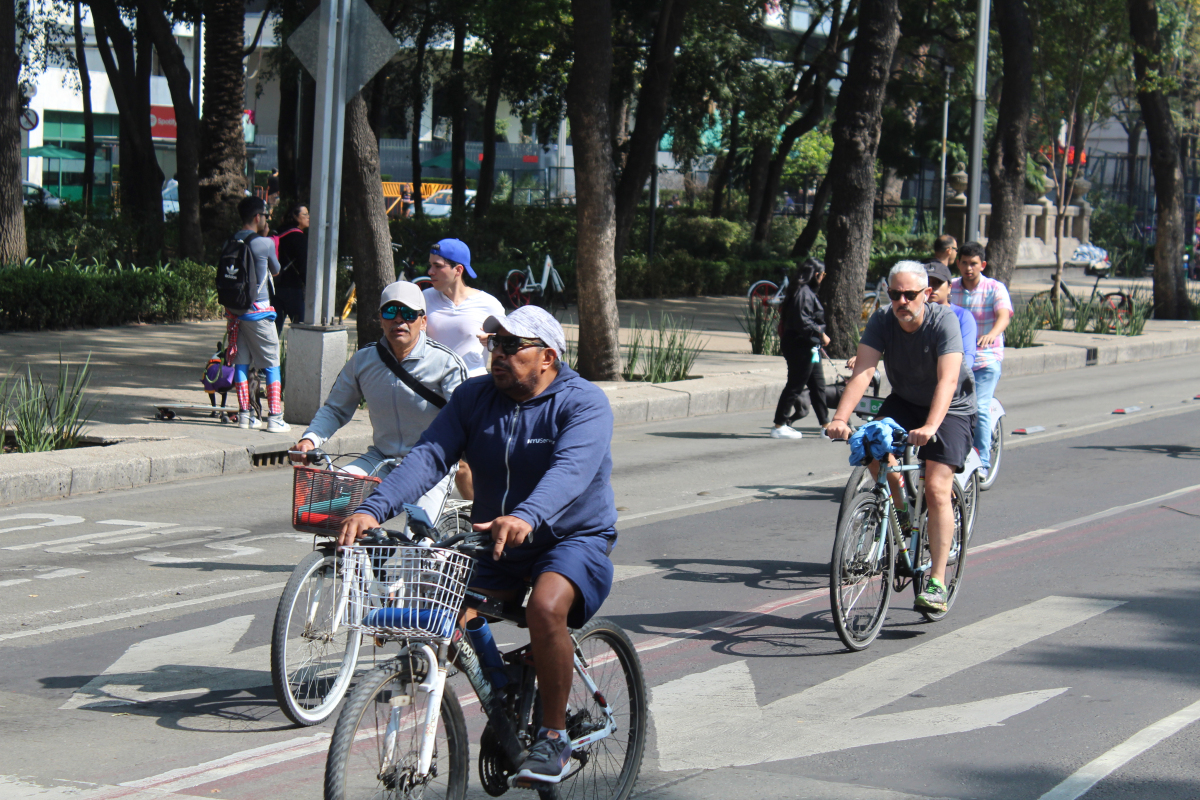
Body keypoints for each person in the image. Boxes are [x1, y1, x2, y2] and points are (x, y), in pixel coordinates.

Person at [338, 305, 617, 786]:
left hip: (572, 537)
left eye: (512, 346)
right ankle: (504, 694)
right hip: (497, 537)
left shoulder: (583, 403)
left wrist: (528, 515)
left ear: (547, 357)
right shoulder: (473, 398)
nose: (498, 353)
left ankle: (553, 736)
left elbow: (570, 470)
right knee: (444, 604)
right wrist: (373, 508)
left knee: (546, 607)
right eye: (494, 344)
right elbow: (429, 456)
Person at [826, 260, 975, 614]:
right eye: (895, 294)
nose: (902, 302)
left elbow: (948, 381)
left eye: (910, 294)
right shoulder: (881, 321)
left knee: (937, 485)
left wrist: (931, 427)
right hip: (906, 400)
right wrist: (840, 418)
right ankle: (903, 509)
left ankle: (937, 582)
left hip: (950, 407)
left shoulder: (944, 321)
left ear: (926, 294)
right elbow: (863, 372)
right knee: (869, 444)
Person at [291, 281, 468, 521]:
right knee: (331, 508)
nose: (398, 320)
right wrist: (310, 439)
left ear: (423, 321)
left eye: (408, 314)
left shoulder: (446, 363)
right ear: (381, 319)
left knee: (418, 542)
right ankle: (358, 558)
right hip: (381, 459)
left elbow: (466, 420)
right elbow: (334, 409)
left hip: (430, 465)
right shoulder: (364, 360)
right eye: (390, 312)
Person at [423, 238, 505, 500]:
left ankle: (477, 517)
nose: (430, 272)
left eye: (437, 266)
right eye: (430, 266)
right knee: (446, 464)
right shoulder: (424, 299)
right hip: (432, 396)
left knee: (463, 467)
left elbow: (509, 346)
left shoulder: (488, 304)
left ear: (458, 270)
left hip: (473, 396)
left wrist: (492, 341)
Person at [225, 196, 289, 433]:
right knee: (272, 364)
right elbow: (276, 270)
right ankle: (275, 417)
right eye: (265, 216)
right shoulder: (264, 243)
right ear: (257, 217)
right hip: (259, 313)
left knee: (241, 363)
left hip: (236, 314)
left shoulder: (230, 241)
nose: (266, 220)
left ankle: (246, 416)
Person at [950, 241, 1012, 480]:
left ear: (982, 265)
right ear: (958, 263)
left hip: (986, 359)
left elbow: (1003, 316)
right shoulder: (951, 287)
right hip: (957, 359)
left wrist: (992, 334)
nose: (968, 268)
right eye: (964, 263)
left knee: (980, 407)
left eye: (973, 264)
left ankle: (983, 461)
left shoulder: (995, 288)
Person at [771, 257, 830, 439]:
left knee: (818, 385)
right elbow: (802, 321)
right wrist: (821, 333)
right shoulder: (803, 293)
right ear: (818, 275)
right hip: (800, 345)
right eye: (823, 274)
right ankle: (779, 425)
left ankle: (826, 426)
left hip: (809, 346)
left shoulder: (804, 291)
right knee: (795, 384)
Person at [926, 260, 977, 371]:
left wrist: (951, 378)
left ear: (949, 287)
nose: (932, 287)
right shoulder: (913, 316)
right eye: (927, 283)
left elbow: (968, 355)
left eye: (938, 282)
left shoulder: (963, 316)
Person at [272, 204, 309, 334]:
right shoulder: (299, 238)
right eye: (304, 214)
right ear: (295, 216)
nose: (308, 217)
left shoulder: (278, 233)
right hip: (293, 288)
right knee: (300, 329)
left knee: (274, 329)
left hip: (276, 286)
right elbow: (303, 265)